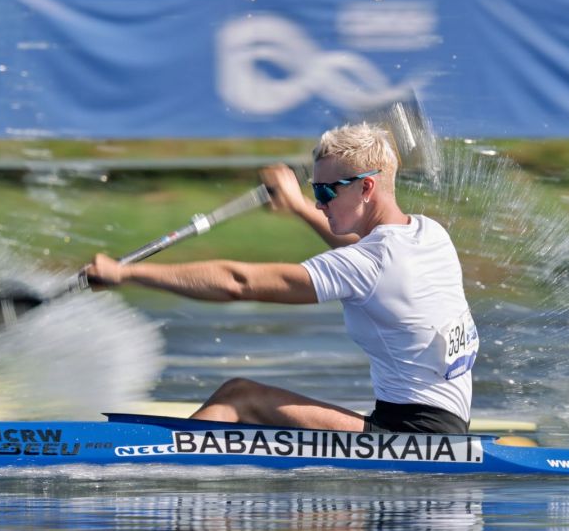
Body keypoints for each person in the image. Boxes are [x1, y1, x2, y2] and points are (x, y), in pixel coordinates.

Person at [86, 122, 478, 434]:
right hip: (443, 429)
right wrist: (296, 206)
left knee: (239, 397)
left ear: (366, 187)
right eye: (314, 192)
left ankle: (168, 479)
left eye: (326, 192)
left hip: (409, 437)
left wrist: (126, 274)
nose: (321, 204)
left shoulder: (368, 263)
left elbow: (239, 282)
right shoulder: (429, 234)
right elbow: (364, 255)